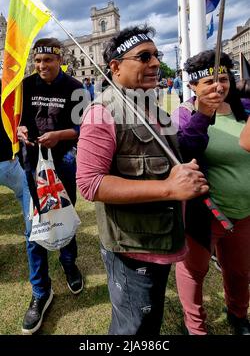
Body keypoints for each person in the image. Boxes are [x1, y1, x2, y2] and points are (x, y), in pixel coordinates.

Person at [76, 24, 208, 335]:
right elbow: (90, 184)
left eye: (156, 56)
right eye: (144, 56)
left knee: (149, 322)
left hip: (161, 238)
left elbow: (171, 157)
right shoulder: (102, 111)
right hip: (132, 248)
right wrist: (168, 188)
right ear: (116, 67)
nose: (154, 63)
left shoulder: (150, 104)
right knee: (133, 328)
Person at [171, 50, 250, 335]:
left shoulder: (245, 108)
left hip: (244, 212)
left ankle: (238, 316)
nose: (218, 86)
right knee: (194, 272)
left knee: (240, 272)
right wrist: (204, 114)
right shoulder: (184, 113)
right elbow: (186, 149)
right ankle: (196, 326)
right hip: (206, 213)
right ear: (193, 86)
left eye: (224, 78)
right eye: (209, 81)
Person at [17, 38, 84, 335]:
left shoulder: (74, 86)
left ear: (60, 59)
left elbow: (84, 128)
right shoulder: (26, 85)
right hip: (32, 164)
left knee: (63, 218)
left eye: (48, 60)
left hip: (64, 162)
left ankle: (69, 265)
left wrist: (60, 135)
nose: (42, 66)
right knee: (34, 228)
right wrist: (18, 129)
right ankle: (40, 291)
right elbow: (14, 119)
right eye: (38, 61)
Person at [0, 80, 31, 235]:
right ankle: (31, 230)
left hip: (8, 162)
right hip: (7, 162)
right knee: (25, 194)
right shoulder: (7, 103)